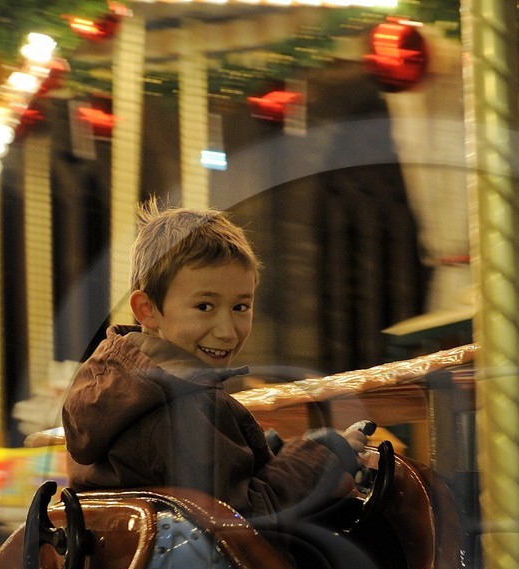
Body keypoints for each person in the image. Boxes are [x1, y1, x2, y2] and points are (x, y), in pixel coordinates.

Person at [61, 201, 372, 522]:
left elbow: (215, 480)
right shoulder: (178, 409)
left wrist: (269, 453)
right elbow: (246, 518)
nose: (226, 331)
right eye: (204, 307)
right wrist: (323, 454)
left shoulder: (119, 391)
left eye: (240, 307)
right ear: (146, 310)